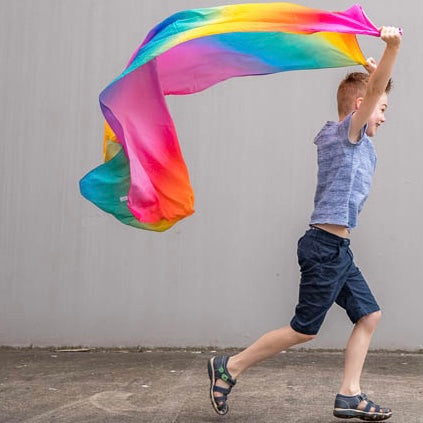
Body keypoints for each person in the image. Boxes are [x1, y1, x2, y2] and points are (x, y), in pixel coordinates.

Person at [207, 26, 402, 421]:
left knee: (369, 315)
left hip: (338, 251)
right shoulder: (347, 134)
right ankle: (230, 366)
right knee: (304, 329)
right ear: (362, 106)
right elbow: (375, 90)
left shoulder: (355, 141)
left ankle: (350, 394)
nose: (384, 118)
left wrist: (374, 73)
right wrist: (392, 48)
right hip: (324, 249)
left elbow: (375, 88)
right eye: (382, 109)